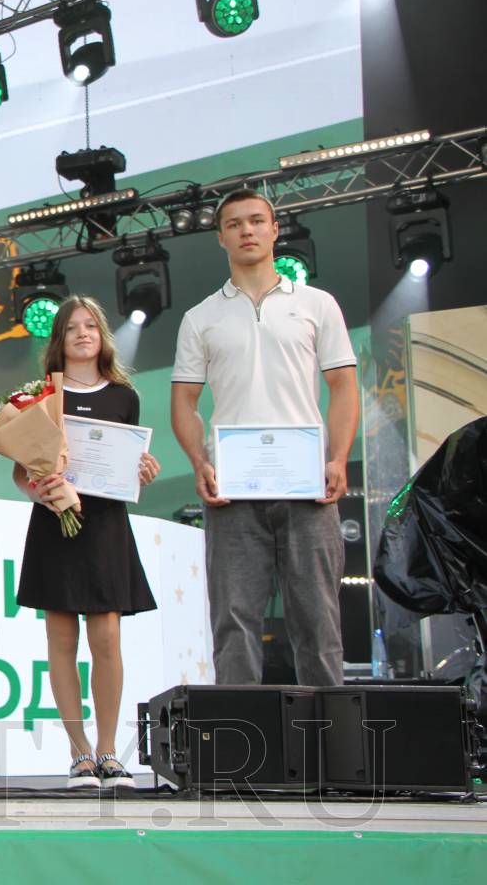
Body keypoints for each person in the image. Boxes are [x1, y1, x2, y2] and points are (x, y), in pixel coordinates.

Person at [171, 189, 359, 687]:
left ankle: (329, 737)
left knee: (319, 625)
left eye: (256, 221)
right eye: (234, 224)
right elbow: (184, 401)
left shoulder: (317, 304)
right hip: (232, 489)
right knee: (233, 625)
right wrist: (199, 461)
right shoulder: (200, 317)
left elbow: (343, 386)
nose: (247, 231)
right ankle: (239, 739)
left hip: (308, 485)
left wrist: (338, 458)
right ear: (221, 238)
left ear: (275, 230)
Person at [12, 296, 159, 789]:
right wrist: (41, 491)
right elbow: (21, 470)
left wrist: (143, 473)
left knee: (107, 638)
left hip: (106, 526)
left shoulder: (124, 396)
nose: (82, 333)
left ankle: (109, 751)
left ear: (102, 336)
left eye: (91, 325)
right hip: (54, 524)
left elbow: (128, 465)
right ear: (58, 338)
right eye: (72, 327)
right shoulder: (40, 396)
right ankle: (78, 754)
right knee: (61, 641)